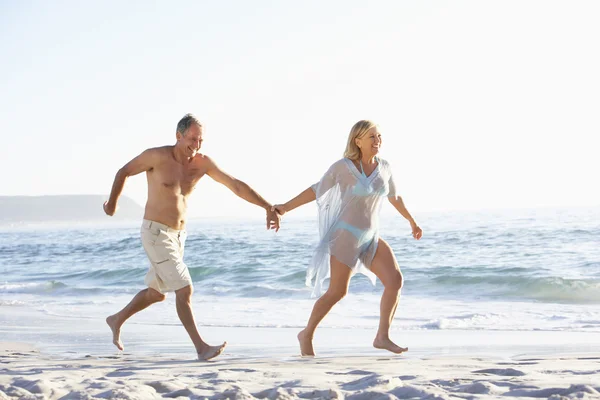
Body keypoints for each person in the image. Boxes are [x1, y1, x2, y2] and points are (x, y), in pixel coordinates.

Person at [103, 113, 280, 360]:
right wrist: (112, 205)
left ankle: (116, 319)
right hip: (155, 233)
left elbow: (236, 185)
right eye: (192, 139)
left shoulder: (202, 163)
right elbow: (123, 172)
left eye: (201, 140)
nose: (196, 145)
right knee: (184, 289)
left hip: (178, 236)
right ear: (178, 136)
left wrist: (267, 206)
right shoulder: (156, 156)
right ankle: (201, 348)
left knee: (157, 293)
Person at [273, 120, 422, 356]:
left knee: (395, 281)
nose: (377, 141)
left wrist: (411, 221)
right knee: (337, 292)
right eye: (372, 137)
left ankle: (382, 337)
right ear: (358, 141)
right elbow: (316, 189)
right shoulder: (342, 167)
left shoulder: (385, 167)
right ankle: (306, 333)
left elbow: (395, 197)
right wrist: (285, 207)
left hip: (370, 236)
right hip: (345, 236)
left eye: (379, 136)